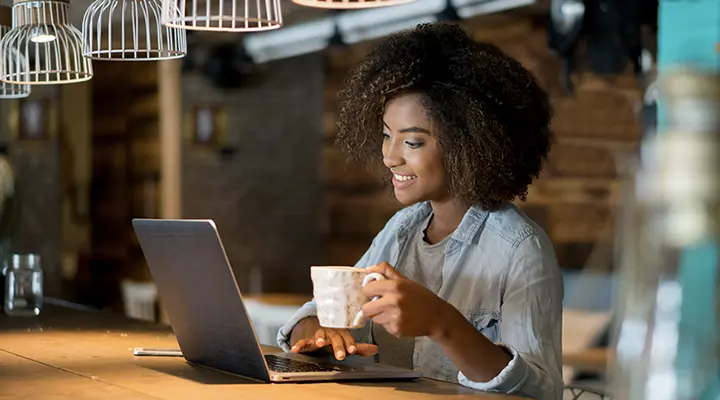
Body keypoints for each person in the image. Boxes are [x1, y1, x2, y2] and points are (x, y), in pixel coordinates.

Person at [277, 22, 563, 399]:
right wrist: (318, 333)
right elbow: (319, 313)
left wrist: (442, 323)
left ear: (469, 145)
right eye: (385, 135)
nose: (389, 156)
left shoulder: (520, 249)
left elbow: (541, 392)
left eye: (412, 141)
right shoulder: (402, 230)